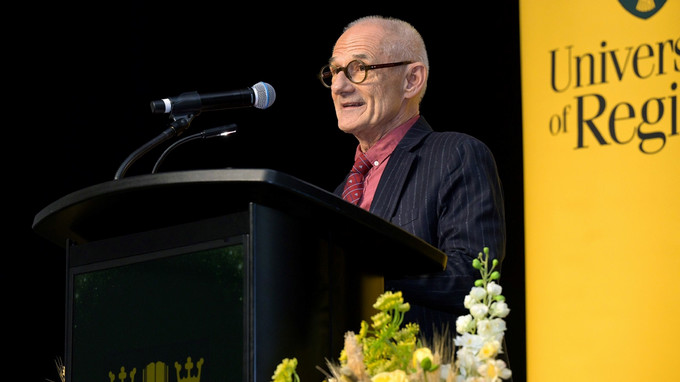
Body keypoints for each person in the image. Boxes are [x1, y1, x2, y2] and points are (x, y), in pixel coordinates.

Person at [320, 15, 507, 347]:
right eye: (334, 72)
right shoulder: (338, 195)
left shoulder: (455, 155)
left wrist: (361, 277)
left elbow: (473, 278)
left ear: (412, 80)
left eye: (358, 69)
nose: (339, 86)